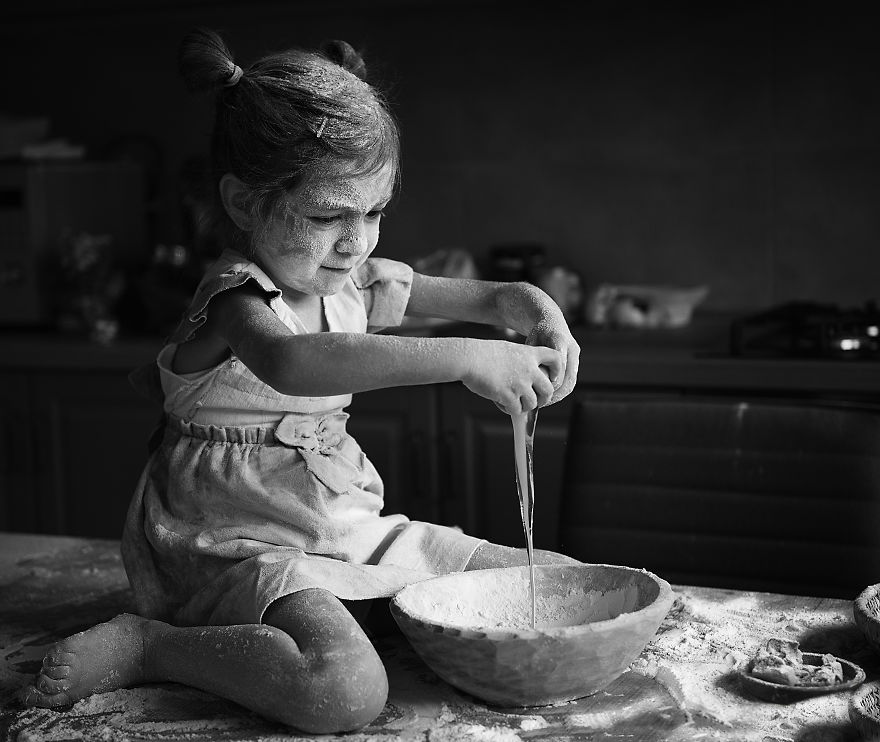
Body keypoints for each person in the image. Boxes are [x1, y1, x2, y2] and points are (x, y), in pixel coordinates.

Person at [20, 28, 581, 733]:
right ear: (246, 203)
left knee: (563, 584)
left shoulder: (352, 275)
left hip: (337, 521)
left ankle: (370, 601)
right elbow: (294, 363)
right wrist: (469, 358)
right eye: (327, 216)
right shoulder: (236, 299)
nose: (357, 242)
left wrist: (535, 307)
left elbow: (495, 300)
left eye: (374, 211)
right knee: (344, 692)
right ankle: (155, 646)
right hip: (235, 541)